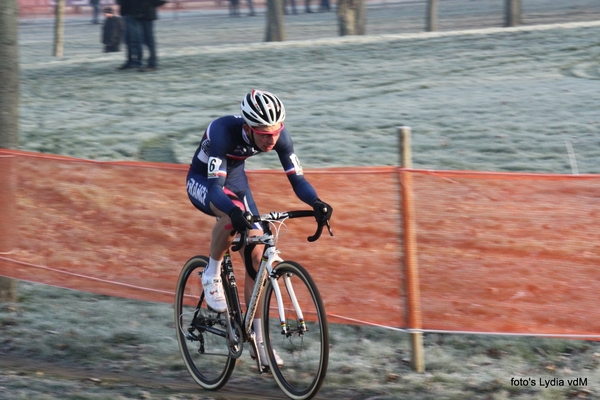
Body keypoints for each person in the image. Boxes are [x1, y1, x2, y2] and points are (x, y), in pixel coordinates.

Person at [186, 89, 333, 367]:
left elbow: (297, 180)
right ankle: (211, 273)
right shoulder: (222, 131)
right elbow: (216, 188)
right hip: (204, 181)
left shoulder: (279, 136)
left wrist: (316, 202)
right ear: (248, 128)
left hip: (236, 180)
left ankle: (258, 341)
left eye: (276, 131)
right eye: (265, 134)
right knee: (232, 217)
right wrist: (233, 212)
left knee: (257, 255)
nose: (272, 138)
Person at [135, 0, 165, 72]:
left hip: (146, 15)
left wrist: (147, 5)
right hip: (144, 15)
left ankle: (152, 64)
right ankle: (151, 63)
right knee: (146, 40)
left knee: (149, 40)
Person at [116, 0, 142, 70]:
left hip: (132, 13)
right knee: (129, 39)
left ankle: (136, 61)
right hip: (128, 13)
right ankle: (131, 61)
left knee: (135, 39)